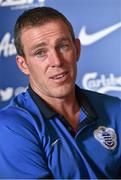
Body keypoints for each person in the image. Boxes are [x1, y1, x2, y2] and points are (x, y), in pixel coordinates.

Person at [0, 6, 121, 179]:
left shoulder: (115, 109)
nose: (56, 61)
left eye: (63, 46)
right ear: (23, 65)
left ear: (77, 49)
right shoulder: (10, 127)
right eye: (40, 52)